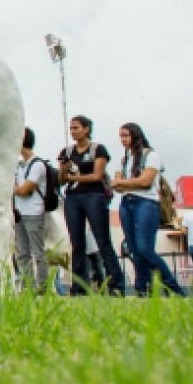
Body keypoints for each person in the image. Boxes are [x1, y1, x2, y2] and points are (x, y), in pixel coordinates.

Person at [112, 122, 185, 297]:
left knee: (145, 248)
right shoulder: (127, 158)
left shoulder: (151, 155)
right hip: (126, 203)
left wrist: (120, 181)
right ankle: (143, 289)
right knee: (134, 250)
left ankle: (173, 288)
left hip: (146, 203)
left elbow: (146, 182)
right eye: (121, 136)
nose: (123, 140)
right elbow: (118, 188)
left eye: (126, 136)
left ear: (136, 136)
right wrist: (121, 182)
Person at [58, 116, 125, 296]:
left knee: (103, 243)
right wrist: (64, 170)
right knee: (77, 244)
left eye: (76, 128)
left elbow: (97, 176)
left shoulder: (98, 150)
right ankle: (79, 286)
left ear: (86, 129)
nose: (73, 132)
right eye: (71, 129)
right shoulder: (67, 151)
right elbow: (61, 180)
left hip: (94, 196)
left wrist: (73, 177)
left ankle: (116, 286)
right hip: (73, 197)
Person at [14, 128, 49, 292]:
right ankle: (28, 286)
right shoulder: (20, 165)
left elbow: (24, 190)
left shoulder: (38, 164)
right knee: (22, 253)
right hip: (19, 213)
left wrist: (11, 188)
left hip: (34, 212)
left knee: (37, 252)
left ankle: (42, 286)